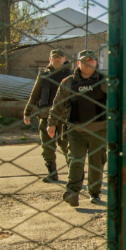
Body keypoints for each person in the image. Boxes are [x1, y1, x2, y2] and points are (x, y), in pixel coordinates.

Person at [47, 50, 107, 208]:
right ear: (78, 63)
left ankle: (94, 192)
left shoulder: (104, 81)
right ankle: (72, 192)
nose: (87, 63)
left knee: (96, 164)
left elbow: (118, 102)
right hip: (75, 131)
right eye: (84, 60)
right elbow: (58, 104)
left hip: (99, 131)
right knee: (76, 161)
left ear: (95, 62)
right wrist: (51, 123)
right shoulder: (68, 82)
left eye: (90, 60)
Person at [23, 49, 73, 182]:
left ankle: (73, 174)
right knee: (47, 147)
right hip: (45, 116)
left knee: (67, 145)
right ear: (50, 59)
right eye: (54, 57)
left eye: (59, 57)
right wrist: (27, 112)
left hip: (65, 116)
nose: (57, 59)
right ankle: (52, 173)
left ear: (64, 59)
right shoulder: (43, 75)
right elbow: (35, 95)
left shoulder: (71, 75)